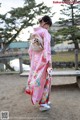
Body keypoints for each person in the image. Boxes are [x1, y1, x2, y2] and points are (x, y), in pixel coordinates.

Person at [25, 15, 53, 111]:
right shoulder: (45, 32)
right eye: (48, 25)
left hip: (35, 61)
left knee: (38, 80)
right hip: (44, 61)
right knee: (46, 81)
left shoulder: (34, 33)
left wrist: (33, 61)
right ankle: (43, 103)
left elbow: (30, 50)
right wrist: (48, 61)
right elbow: (47, 49)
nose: (48, 27)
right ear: (45, 23)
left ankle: (42, 100)